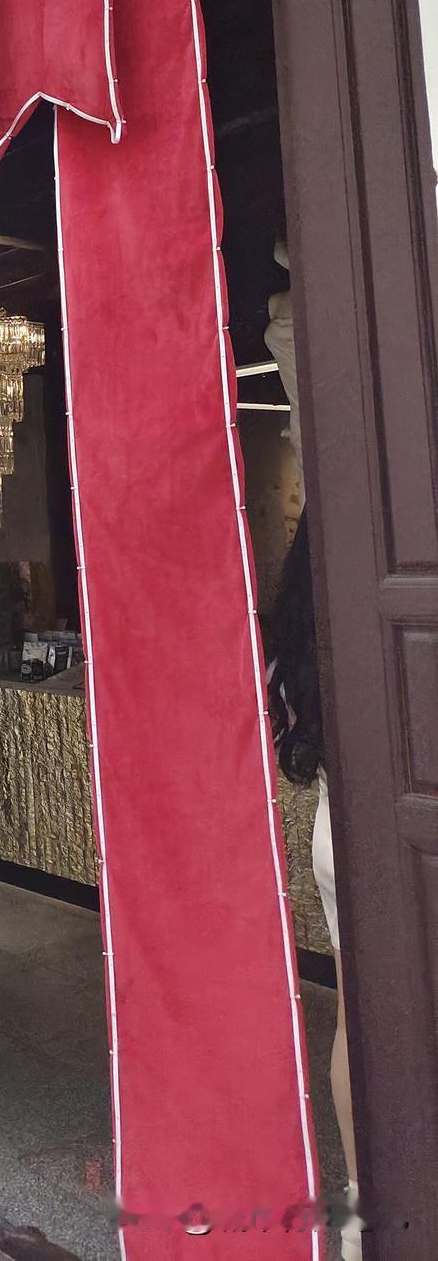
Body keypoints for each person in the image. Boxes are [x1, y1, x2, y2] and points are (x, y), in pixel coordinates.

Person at [267, 511, 361, 1260]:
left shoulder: (305, 630)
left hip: (334, 828)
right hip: (380, 837)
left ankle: (363, 1210)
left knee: (357, 1021)